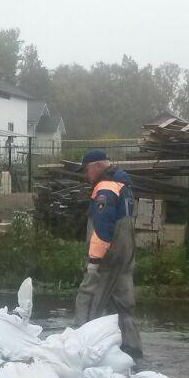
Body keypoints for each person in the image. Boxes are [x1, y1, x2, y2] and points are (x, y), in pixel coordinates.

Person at [71, 149, 144, 360]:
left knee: (89, 297)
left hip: (107, 257)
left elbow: (103, 228)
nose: (86, 175)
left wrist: (94, 261)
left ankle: (77, 349)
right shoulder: (123, 185)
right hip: (124, 256)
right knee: (123, 305)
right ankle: (132, 350)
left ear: (96, 166)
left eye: (87, 170)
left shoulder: (105, 188)